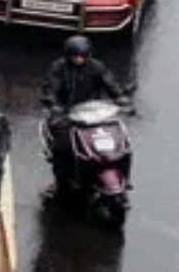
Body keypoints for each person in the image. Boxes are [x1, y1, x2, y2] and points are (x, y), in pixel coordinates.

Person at [40, 35, 129, 196]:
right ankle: (59, 181)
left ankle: (123, 175)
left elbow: (109, 82)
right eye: (75, 56)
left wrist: (120, 96)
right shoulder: (59, 68)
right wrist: (53, 104)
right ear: (68, 55)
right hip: (67, 114)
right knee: (62, 148)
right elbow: (50, 88)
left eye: (82, 56)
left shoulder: (96, 66)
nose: (79, 59)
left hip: (92, 113)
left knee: (121, 142)